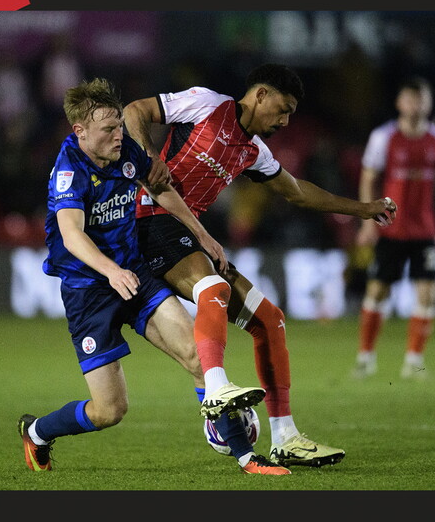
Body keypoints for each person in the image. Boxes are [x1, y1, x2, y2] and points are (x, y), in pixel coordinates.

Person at [123, 63, 397, 468]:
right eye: (282, 109)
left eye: (291, 115)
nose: (284, 121)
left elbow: (299, 192)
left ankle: (285, 435)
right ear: (260, 95)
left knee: (270, 319)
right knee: (212, 288)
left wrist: (364, 209)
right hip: (150, 218)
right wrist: (148, 157)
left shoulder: (254, 152)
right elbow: (133, 111)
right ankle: (216, 388)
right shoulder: (205, 103)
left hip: (189, 231)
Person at [18, 78, 290, 475]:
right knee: (110, 410)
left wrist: (202, 234)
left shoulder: (124, 148)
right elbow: (71, 236)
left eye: (118, 125)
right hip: (90, 292)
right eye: (109, 129)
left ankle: (248, 459)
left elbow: (159, 187)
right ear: (80, 131)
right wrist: (111, 271)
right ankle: (38, 431)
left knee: (199, 357)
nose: (118, 134)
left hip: (136, 276)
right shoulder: (68, 171)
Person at [351, 76, 435, 380]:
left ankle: (414, 362)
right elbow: (368, 177)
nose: (416, 105)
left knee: (428, 293)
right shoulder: (384, 137)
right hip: (390, 229)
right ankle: (365, 357)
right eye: (411, 99)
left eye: (422, 100)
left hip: (424, 231)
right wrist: (368, 220)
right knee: (377, 290)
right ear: (399, 103)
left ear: (428, 104)